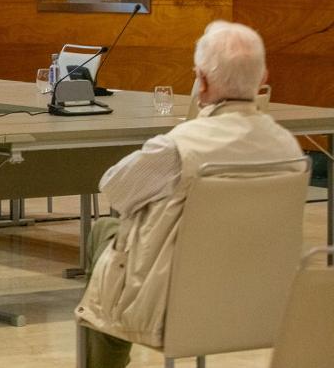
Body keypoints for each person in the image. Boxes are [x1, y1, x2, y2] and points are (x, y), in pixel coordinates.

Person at [76, 21, 303, 367]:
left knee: (106, 234)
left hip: (174, 301)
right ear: (263, 78)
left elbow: (115, 190)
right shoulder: (289, 148)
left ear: (203, 82)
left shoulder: (178, 147)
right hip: (263, 300)